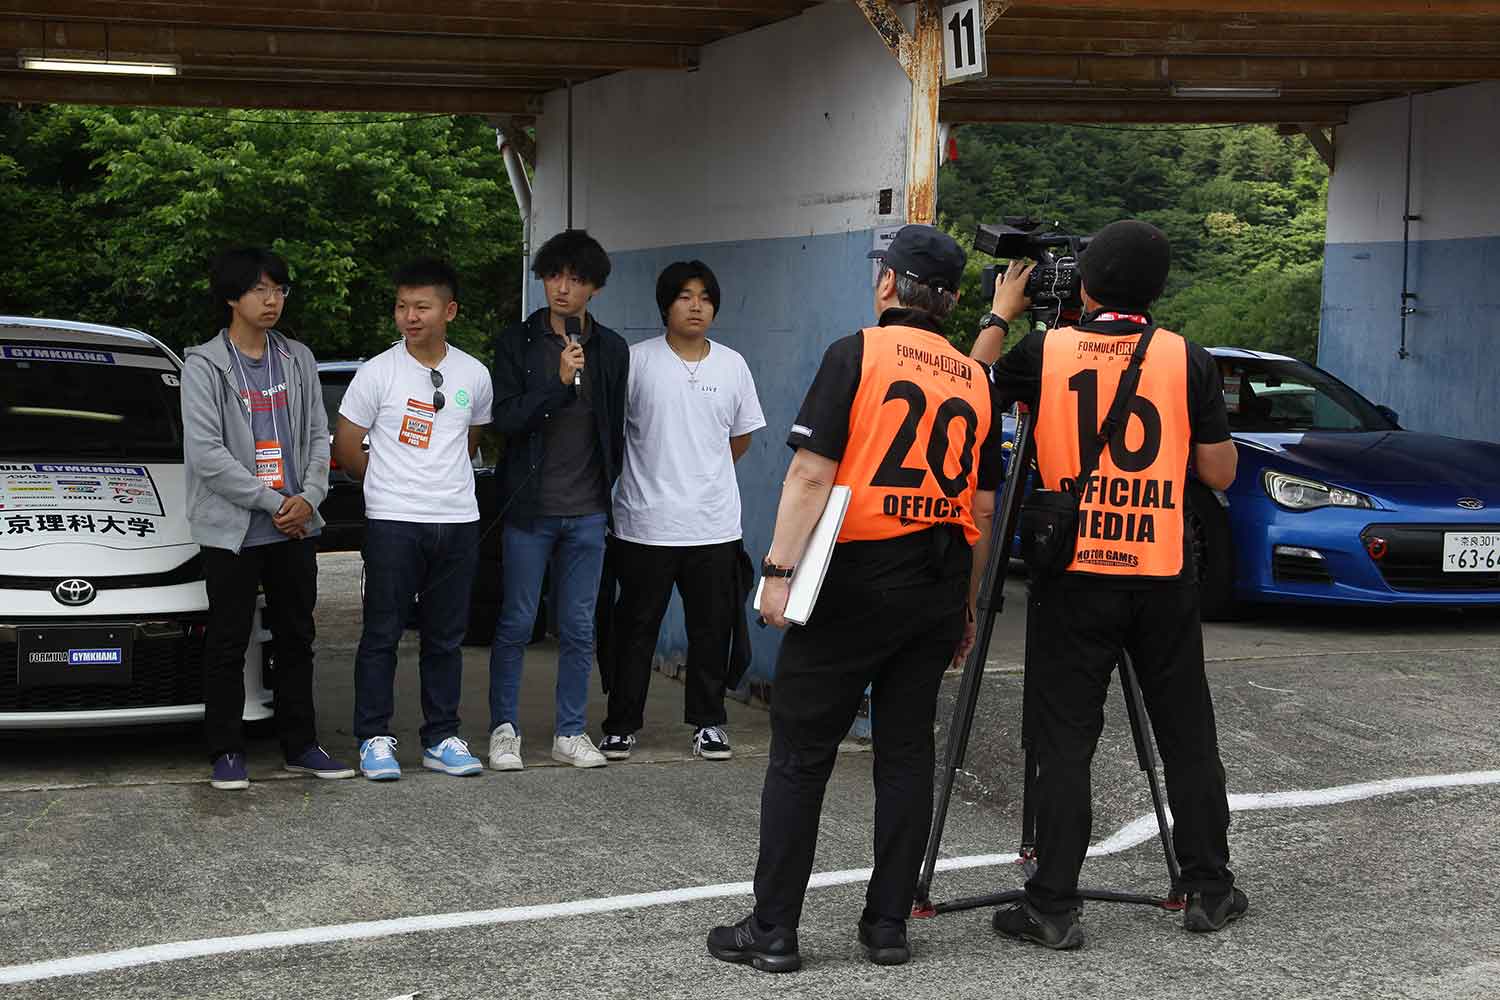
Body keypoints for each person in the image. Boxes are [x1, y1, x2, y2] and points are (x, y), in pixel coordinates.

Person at [707, 225, 1006, 972]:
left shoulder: (858, 352)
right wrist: (965, 606)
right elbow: (982, 513)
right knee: (906, 756)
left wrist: (776, 573)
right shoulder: (975, 377)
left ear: (888, 285)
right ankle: (887, 927)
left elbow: (812, 473)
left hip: (853, 577)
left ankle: (773, 929)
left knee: (801, 758)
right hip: (935, 582)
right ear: (953, 302)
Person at [977, 220, 1246, 949]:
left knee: (1065, 740)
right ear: (1159, 290)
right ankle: (1208, 889)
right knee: (1187, 735)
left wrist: (1003, 312)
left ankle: (1052, 906)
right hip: (1161, 569)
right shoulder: (1184, 357)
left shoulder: (1049, 348)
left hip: (1074, 572)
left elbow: (972, 388)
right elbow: (1220, 473)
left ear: (1085, 284)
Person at [183, 247, 353, 791]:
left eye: (279, 289)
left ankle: (301, 745)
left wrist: (309, 497)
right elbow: (207, 454)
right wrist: (271, 501)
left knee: (297, 637)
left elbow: (316, 439)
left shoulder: (298, 359)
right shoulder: (204, 364)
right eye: (260, 290)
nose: (272, 299)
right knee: (228, 641)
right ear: (232, 297)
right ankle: (226, 751)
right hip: (236, 529)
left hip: (296, 524)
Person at [333, 258, 494, 781]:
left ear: (449, 310)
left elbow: (470, 439)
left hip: (457, 520)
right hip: (392, 521)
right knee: (381, 633)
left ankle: (441, 736)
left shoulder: (474, 372)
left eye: (421, 306)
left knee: (446, 637)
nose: (409, 316)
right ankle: (374, 737)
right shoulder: (378, 371)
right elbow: (347, 444)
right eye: (402, 306)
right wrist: (385, 486)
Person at [601, 260, 765, 762]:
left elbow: (738, 439)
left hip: (713, 524)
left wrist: (702, 475)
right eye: (685, 296)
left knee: (711, 629)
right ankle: (621, 725)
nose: (696, 305)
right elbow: (613, 434)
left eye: (705, 297)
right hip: (644, 524)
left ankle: (709, 723)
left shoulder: (732, 365)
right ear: (665, 304)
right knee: (636, 630)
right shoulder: (636, 362)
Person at [488, 230, 629, 770]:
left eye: (576, 279)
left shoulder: (611, 349)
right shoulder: (516, 343)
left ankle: (570, 732)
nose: (563, 288)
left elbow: (617, 426)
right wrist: (558, 381)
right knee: (516, 622)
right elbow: (505, 419)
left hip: (589, 510)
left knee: (579, 625)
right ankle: (505, 730)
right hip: (530, 510)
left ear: (594, 287)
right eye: (554, 276)